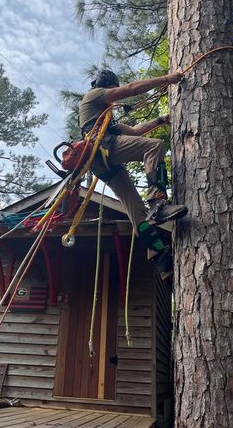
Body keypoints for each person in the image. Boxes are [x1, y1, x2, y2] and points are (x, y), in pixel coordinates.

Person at [79, 69, 188, 279]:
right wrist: (166, 79)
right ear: (109, 86)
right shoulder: (95, 95)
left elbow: (135, 131)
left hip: (100, 163)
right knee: (154, 147)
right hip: (103, 147)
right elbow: (129, 89)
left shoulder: (103, 120)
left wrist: (160, 120)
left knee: (135, 209)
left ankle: (160, 257)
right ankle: (158, 202)